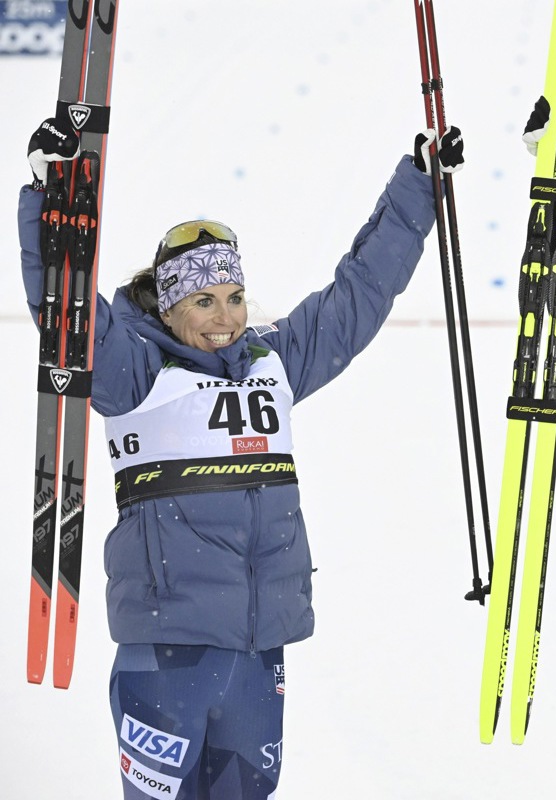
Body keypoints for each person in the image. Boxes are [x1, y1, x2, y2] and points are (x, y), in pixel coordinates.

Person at [21, 117, 463, 799]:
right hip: (170, 652)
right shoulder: (133, 372)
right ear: (169, 309)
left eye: (231, 297)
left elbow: (360, 294)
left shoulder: (274, 361)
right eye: (202, 300)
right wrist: (50, 205)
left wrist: (418, 185)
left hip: (260, 653)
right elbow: (68, 311)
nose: (224, 316)